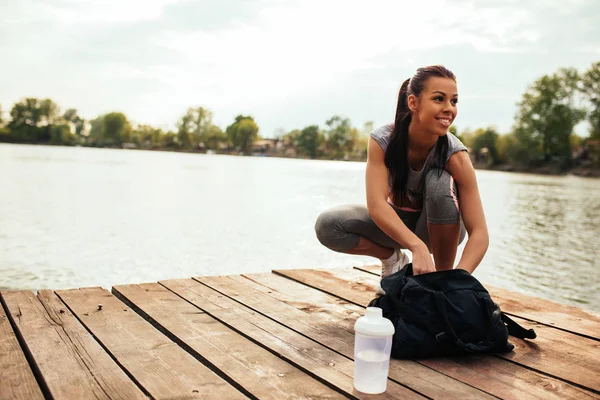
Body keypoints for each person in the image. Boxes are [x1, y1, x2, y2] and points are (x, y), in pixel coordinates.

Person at [314, 65, 489, 293]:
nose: (449, 109)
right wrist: (416, 247)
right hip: (394, 226)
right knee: (329, 226)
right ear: (413, 103)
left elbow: (480, 232)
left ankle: (441, 281)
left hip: (438, 229)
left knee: (437, 181)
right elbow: (376, 205)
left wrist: (458, 279)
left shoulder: (455, 155)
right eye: (439, 99)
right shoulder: (383, 140)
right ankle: (393, 260)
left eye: (454, 101)